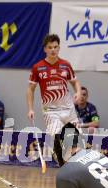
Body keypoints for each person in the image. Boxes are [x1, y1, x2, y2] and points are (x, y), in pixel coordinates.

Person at [26, 34, 82, 164]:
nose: (53, 50)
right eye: (50, 47)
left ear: (59, 48)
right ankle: (62, 162)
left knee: (75, 140)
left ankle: (74, 164)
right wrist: (30, 109)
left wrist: (78, 92)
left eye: (56, 47)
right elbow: (30, 89)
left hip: (68, 109)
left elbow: (75, 82)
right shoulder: (38, 67)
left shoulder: (65, 65)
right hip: (50, 111)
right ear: (45, 49)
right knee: (57, 137)